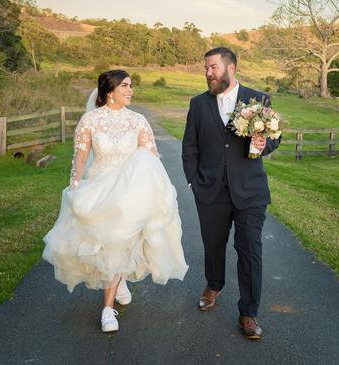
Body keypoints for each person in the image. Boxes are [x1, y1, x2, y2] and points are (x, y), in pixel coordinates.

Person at [43, 70, 188, 333]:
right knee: (104, 247)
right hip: (100, 189)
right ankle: (118, 282)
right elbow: (80, 156)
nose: (131, 90)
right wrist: (75, 185)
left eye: (131, 86)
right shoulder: (90, 121)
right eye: (125, 86)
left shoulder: (138, 121)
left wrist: (157, 188)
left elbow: (151, 157)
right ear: (109, 92)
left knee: (120, 245)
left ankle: (107, 310)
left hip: (129, 195)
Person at [182, 47, 281, 341]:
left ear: (231, 68)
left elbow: (275, 138)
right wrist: (193, 182)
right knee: (213, 245)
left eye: (212, 67)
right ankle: (213, 285)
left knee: (250, 250)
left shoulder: (258, 99)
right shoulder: (198, 104)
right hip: (210, 191)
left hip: (250, 190)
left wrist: (264, 144)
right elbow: (190, 147)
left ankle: (248, 313)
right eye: (206, 68)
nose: (208, 73)